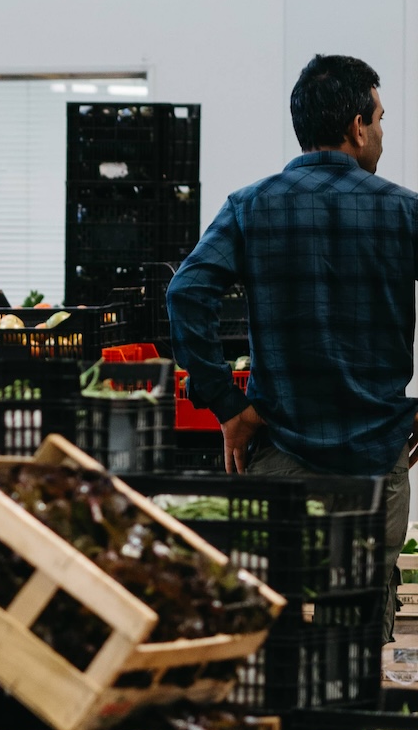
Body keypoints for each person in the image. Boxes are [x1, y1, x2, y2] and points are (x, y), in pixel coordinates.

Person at [167, 53, 416, 637]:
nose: (381, 132)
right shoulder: (404, 212)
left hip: (279, 455)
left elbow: (187, 293)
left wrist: (228, 408)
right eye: (379, 119)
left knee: (261, 632)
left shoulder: (252, 205)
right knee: (352, 646)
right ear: (358, 125)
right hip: (375, 463)